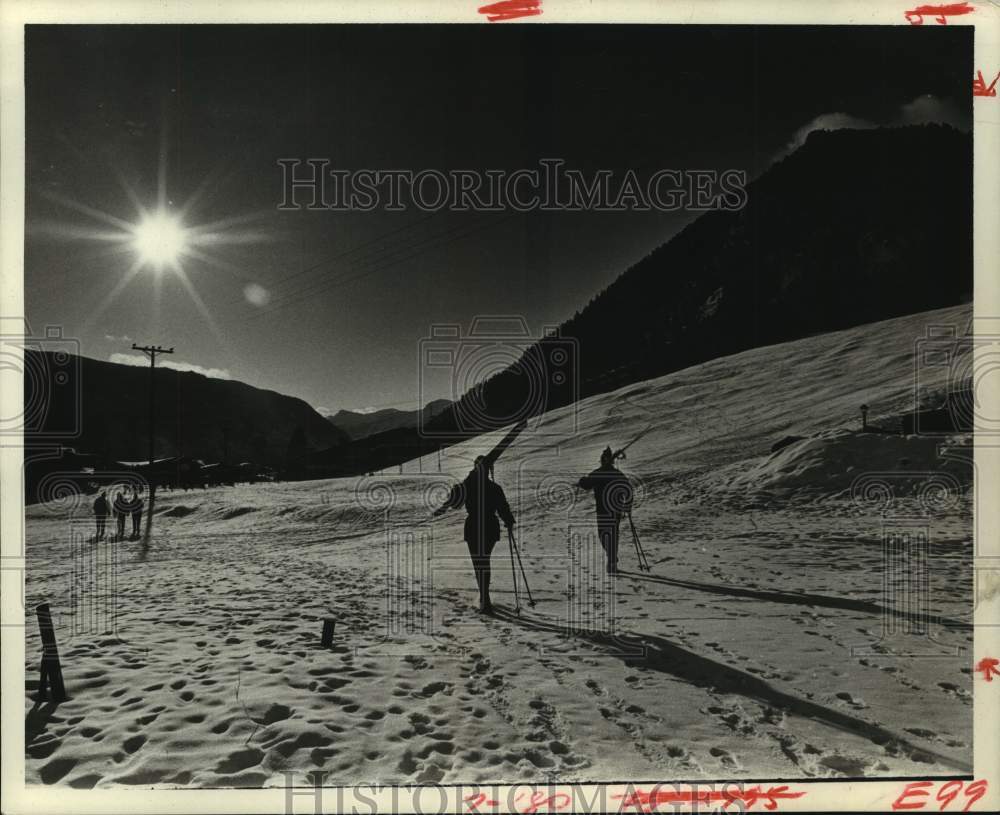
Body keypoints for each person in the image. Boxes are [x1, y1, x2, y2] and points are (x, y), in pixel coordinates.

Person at [434, 456, 515, 615]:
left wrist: (463, 484)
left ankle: (485, 599)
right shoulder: (494, 487)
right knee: (483, 561)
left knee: (479, 563)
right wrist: (509, 521)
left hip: (474, 527)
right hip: (490, 526)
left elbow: (456, 504)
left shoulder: (469, 486)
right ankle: (485, 598)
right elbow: (503, 507)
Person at [577, 447, 633, 574]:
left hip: (604, 511)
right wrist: (627, 506)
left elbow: (586, 484)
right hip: (614, 511)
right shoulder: (616, 474)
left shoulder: (600, 473)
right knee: (612, 536)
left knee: (604, 535)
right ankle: (612, 558)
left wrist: (581, 481)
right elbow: (628, 489)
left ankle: (612, 561)